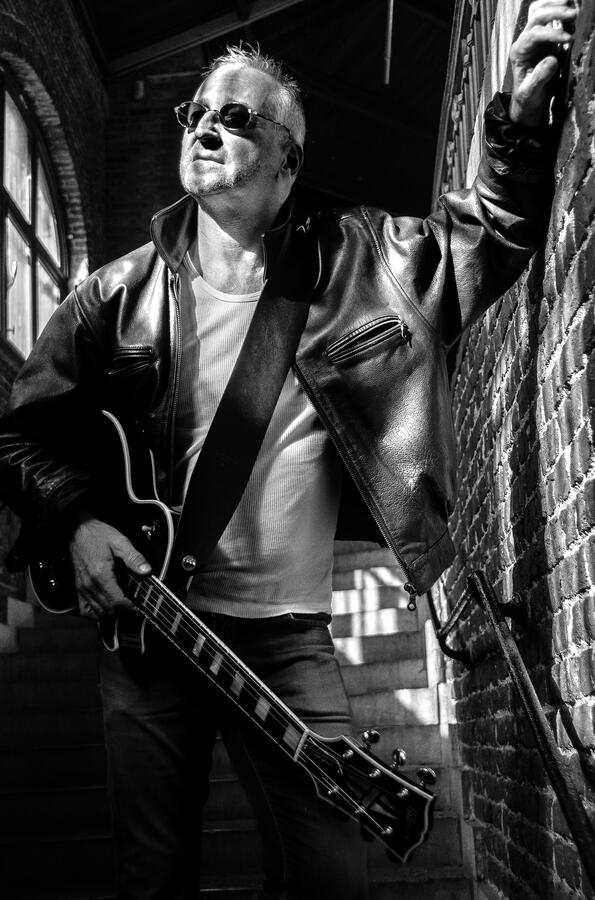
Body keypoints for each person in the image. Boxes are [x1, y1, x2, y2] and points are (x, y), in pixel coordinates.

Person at [0, 3, 577, 898]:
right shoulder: (109, 298)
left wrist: (518, 128)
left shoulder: (364, 262)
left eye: (237, 117)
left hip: (288, 643)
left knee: (333, 876)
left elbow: (490, 233)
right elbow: (19, 434)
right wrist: (72, 520)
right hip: (151, 639)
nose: (207, 127)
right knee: (152, 878)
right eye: (197, 112)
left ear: (288, 162)